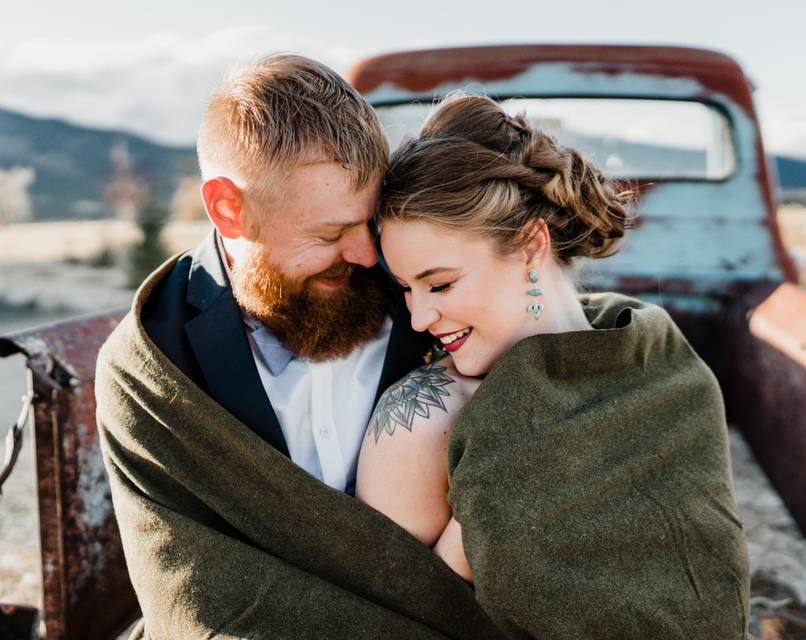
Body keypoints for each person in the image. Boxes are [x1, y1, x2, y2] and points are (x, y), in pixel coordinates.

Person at [95, 56, 505, 639]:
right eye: (329, 233)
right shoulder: (154, 361)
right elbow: (192, 588)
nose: (367, 254)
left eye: (370, 223)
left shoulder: (425, 292)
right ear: (228, 210)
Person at [356, 94, 752, 638]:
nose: (420, 317)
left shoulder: (661, 361)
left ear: (530, 244)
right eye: (406, 288)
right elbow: (403, 617)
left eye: (440, 283)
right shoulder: (421, 420)